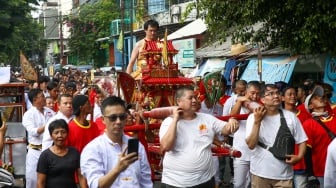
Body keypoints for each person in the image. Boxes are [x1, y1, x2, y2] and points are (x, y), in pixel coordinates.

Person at [159, 86, 239, 187]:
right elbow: (165, 147)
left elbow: (226, 129)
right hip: (177, 182)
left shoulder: (206, 118)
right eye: (190, 98)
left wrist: (232, 121)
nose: (195, 100)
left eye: (196, 97)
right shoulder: (168, 122)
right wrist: (175, 120)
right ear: (179, 101)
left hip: (205, 179)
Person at [80, 96, 153, 188]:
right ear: (103, 120)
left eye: (122, 117)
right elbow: (95, 185)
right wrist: (117, 169)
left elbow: (145, 181)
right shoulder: (93, 149)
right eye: (113, 118)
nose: (118, 121)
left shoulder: (137, 145)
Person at [245, 84, 307, 187]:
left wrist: (299, 157)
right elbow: (251, 145)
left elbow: (302, 140)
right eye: (270, 94)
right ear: (262, 99)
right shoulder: (253, 118)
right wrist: (257, 122)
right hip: (260, 173)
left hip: (284, 176)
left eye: (278, 93)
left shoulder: (291, 117)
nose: (276, 96)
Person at [229, 80, 262, 188]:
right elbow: (232, 116)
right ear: (246, 92)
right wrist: (239, 102)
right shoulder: (237, 103)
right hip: (241, 150)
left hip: (257, 151)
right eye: (252, 93)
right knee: (239, 184)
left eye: (257, 93)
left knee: (253, 184)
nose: (255, 96)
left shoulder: (261, 106)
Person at [302, 85, 336, 187]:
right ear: (311, 106)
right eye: (315, 98)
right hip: (321, 172)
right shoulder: (308, 124)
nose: (320, 98)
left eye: (321, 96)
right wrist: (311, 175)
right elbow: (307, 152)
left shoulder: (335, 118)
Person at [37, 119, 87, 188]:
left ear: (67, 134)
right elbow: (40, 182)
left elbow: (81, 176)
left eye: (63, 132)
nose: (60, 135)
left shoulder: (74, 153)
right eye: (56, 133)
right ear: (51, 136)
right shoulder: (45, 156)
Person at [22, 88, 55, 188]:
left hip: (50, 151)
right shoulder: (28, 115)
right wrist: (49, 126)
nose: (45, 98)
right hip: (35, 151)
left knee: (50, 179)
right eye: (42, 96)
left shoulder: (50, 112)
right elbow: (33, 132)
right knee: (33, 180)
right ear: (35, 100)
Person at [280, 86, 310, 188]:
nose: (293, 96)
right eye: (289, 94)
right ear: (282, 98)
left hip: (300, 160)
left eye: (294, 94)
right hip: (281, 161)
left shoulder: (305, 114)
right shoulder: (277, 115)